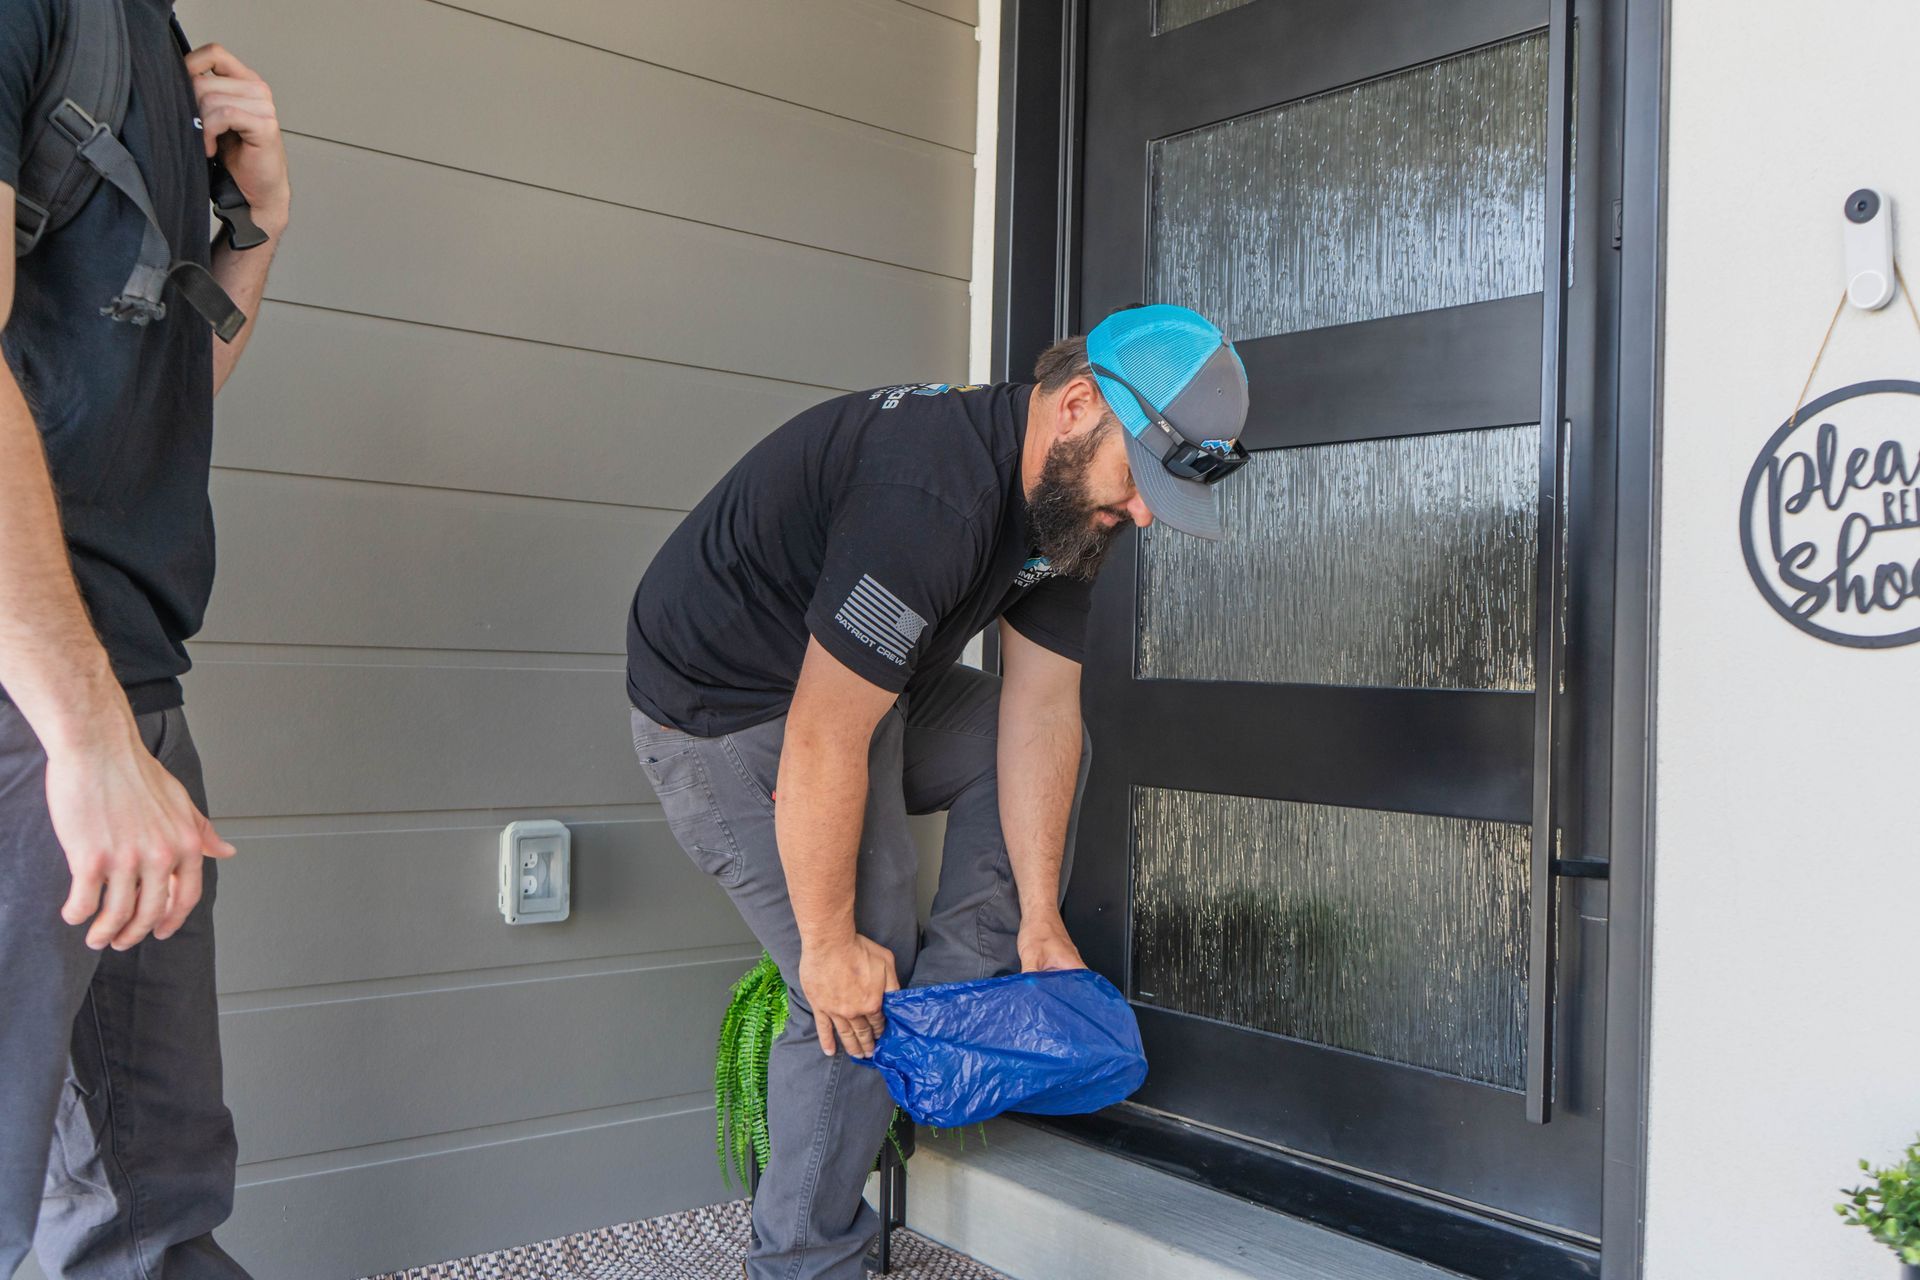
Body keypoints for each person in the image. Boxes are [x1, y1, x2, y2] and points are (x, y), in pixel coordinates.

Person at [625, 304, 1251, 1280]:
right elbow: (824, 736)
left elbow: (1042, 713)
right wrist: (831, 945)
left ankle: (943, 1014)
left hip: (856, 686)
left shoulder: (1067, 500)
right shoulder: (931, 493)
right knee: (851, 988)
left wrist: (1037, 918)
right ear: (1079, 405)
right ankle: (805, 1260)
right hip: (730, 716)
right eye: (1140, 483)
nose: (1140, 514)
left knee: (1022, 754)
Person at [0, 2, 290, 1274]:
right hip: (40, 704)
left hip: (121, 691)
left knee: (152, 1200)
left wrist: (260, 225)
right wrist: (79, 729)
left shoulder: (153, 36)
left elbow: (154, 388)